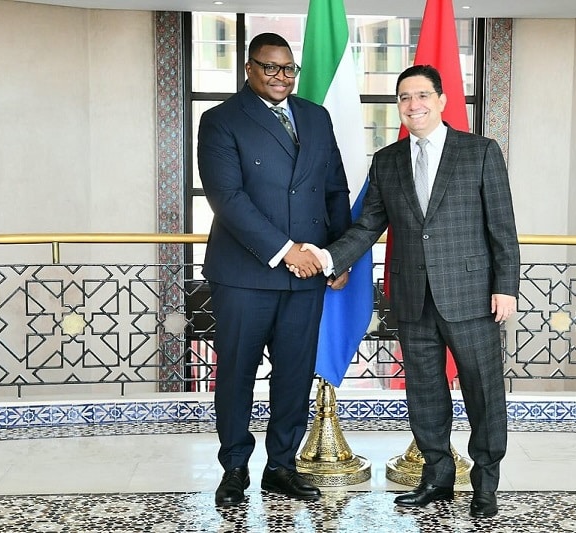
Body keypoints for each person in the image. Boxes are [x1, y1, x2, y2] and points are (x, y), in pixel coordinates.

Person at [294, 64, 520, 519]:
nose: (412, 105)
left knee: (483, 391)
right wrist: (330, 258)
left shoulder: (480, 152)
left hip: (472, 295)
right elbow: (368, 226)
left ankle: (485, 482)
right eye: (404, 97)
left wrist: (506, 287)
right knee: (424, 391)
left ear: (441, 101)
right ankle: (435, 477)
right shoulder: (388, 161)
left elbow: (502, 227)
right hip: (413, 295)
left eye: (421, 95)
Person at [196, 32, 352, 507]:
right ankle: (235, 468)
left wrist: (339, 255)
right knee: (237, 373)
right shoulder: (220, 120)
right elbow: (227, 199)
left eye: (288, 68)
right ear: (249, 68)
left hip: (309, 275)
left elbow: (335, 189)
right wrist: (286, 250)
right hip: (246, 274)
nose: (281, 77)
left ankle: (281, 467)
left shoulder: (316, 116)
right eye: (270, 67)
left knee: (294, 376)